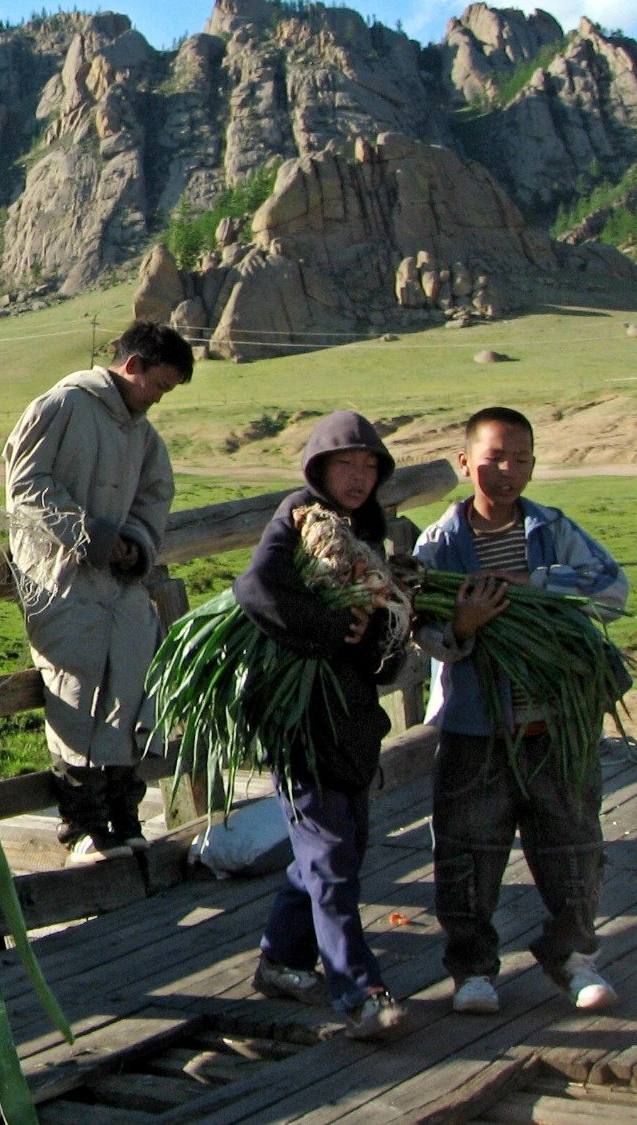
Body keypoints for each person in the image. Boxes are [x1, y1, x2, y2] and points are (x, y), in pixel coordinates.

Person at [413, 406, 630, 1017]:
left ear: (533, 465)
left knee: (572, 845)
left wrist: (536, 583)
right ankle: (473, 970)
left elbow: (612, 590)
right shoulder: (440, 544)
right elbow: (421, 631)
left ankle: (573, 958)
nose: (507, 471)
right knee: (467, 852)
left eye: (520, 459)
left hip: (555, 724)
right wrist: (463, 625)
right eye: (494, 459)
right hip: (475, 728)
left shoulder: (552, 530)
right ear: (465, 463)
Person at [235, 411, 409, 1041]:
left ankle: (281, 960)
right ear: (318, 468)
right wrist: (334, 627)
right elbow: (256, 588)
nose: (358, 478)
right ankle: (359, 992)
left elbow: (382, 623)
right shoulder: (301, 517)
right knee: (332, 858)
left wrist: (377, 633)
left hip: (352, 719)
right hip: (301, 720)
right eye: (345, 465)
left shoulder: (370, 530)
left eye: (369, 467)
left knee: (341, 850)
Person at [3, 320, 190, 862]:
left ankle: (124, 817)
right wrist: (93, 537)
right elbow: (26, 486)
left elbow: (154, 497)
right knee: (75, 698)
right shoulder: (62, 406)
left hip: (118, 590)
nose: (158, 398)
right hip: (59, 582)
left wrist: (134, 545)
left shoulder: (143, 436)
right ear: (132, 366)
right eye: (158, 384)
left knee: (128, 691)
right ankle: (83, 826)